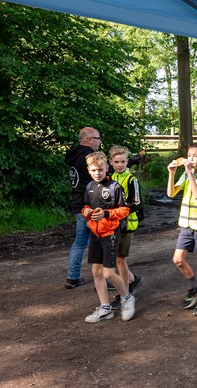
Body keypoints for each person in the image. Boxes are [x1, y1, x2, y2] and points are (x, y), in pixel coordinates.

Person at [81, 152, 135, 323]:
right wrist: (86, 212)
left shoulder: (114, 187)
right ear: (89, 170)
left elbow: (124, 210)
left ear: (107, 168)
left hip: (110, 233)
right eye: (94, 170)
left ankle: (126, 297)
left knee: (109, 273)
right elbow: (85, 206)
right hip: (95, 234)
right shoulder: (89, 186)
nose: (98, 173)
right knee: (95, 271)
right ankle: (105, 308)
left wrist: (105, 213)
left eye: (101, 170)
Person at [167, 143, 197, 317]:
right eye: (189, 155)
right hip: (187, 226)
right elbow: (171, 193)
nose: (191, 159)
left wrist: (189, 172)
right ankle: (194, 286)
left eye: (196, 156)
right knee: (178, 260)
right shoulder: (186, 175)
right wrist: (172, 174)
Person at [64, 127, 101, 289]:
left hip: (78, 205)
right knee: (100, 242)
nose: (100, 142)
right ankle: (104, 280)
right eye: (98, 138)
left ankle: (73, 277)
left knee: (80, 242)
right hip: (91, 205)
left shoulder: (75, 157)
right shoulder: (89, 157)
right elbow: (105, 174)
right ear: (90, 139)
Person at [108, 146, 143, 310]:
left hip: (127, 224)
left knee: (119, 259)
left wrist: (119, 209)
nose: (120, 165)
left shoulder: (131, 180)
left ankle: (125, 294)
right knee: (117, 259)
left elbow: (136, 203)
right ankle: (131, 279)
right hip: (113, 223)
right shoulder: (111, 177)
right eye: (116, 162)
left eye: (123, 161)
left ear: (128, 162)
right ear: (111, 162)